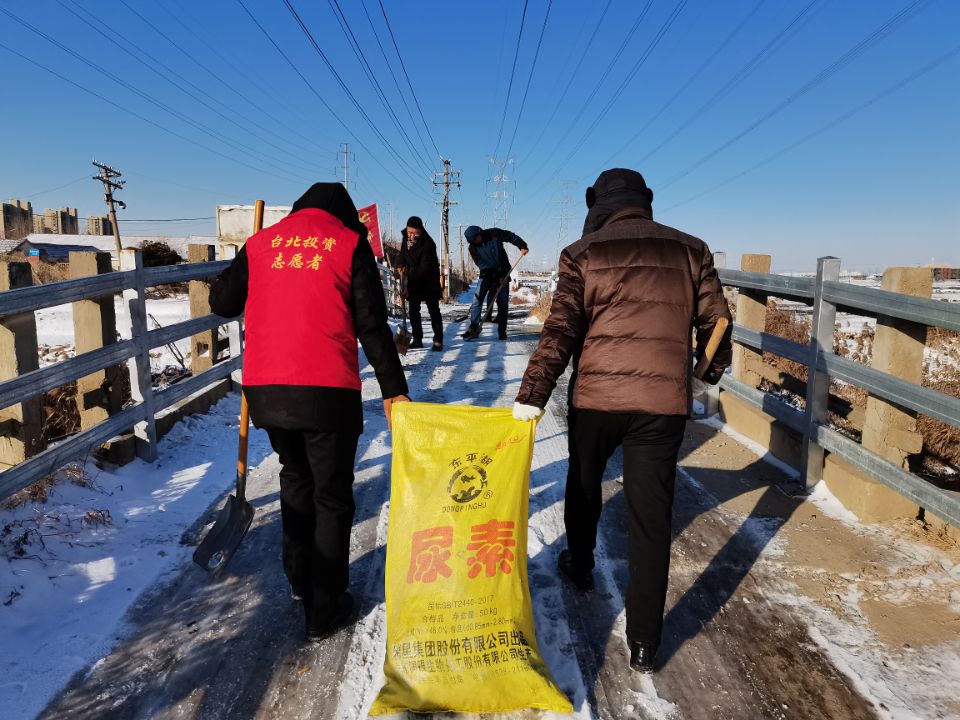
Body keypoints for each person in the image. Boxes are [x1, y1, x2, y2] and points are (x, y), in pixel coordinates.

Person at [512, 168, 732, 673]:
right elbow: (718, 322)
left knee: (584, 482)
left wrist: (533, 394)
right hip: (661, 404)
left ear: (599, 205)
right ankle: (645, 642)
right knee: (651, 519)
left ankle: (580, 563)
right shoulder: (691, 249)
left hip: (597, 399)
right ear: (644, 202)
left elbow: (561, 330)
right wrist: (703, 375)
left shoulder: (582, 252)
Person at [209, 183, 410, 642]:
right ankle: (324, 607)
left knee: (295, 479)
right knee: (331, 496)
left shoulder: (261, 243)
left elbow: (221, 303)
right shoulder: (348, 243)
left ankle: (300, 581)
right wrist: (394, 390)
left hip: (267, 391)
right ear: (343, 215)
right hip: (326, 392)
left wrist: (237, 268)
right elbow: (371, 325)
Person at [462, 225, 528, 341]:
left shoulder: (494, 234)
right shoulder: (472, 248)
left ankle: (502, 331)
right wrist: (496, 277)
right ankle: (473, 328)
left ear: (480, 233)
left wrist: (521, 245)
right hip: (487, 274)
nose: (475, 242)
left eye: (476, 239)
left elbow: (510, 236)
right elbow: (481, 264)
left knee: (503, 303)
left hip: (504, 272)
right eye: (472, 241)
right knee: (477, 300)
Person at [396, 216, 444, 350]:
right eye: (409, 232)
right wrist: (399, 264)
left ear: (421, 230)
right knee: (413, 310)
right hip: (413, 278)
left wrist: (408, 286)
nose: (411, 236)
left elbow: (423, 270)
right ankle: (417, 339)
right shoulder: (406, 238)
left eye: (415, 233)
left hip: (428, 280)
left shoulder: (428, 244)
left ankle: (438, 340)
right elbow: (403, 254)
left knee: (433, 310)